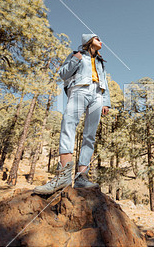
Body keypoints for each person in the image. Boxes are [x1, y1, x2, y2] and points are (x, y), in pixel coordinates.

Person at [34, 33, 111, 194]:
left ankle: (82, 177)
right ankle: (63, 175)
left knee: (90, 135)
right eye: (98, 38)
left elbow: (105, 82)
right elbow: (63, 74)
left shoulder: (101, 61)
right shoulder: (76, 55)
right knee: (68, 125)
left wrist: (106, 102)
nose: (101, 41)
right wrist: (76, 59)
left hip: (97, 94)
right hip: (79, 90)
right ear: (89, 41)